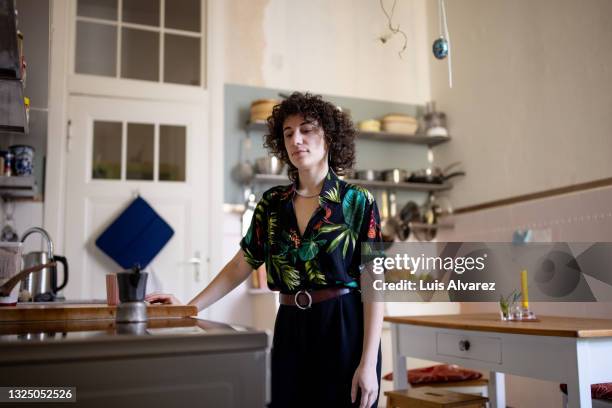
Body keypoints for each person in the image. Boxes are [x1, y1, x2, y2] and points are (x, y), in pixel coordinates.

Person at [147, 92, 384, 408]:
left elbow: (375, 283)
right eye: (288, 133)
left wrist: (368, 363)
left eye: (307, 129)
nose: (296, 139)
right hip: (289, 324)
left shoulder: (357, 201)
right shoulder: (273, 204)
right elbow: (240, 264)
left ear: (329, 137)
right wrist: (189, 309)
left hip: (343, 327)